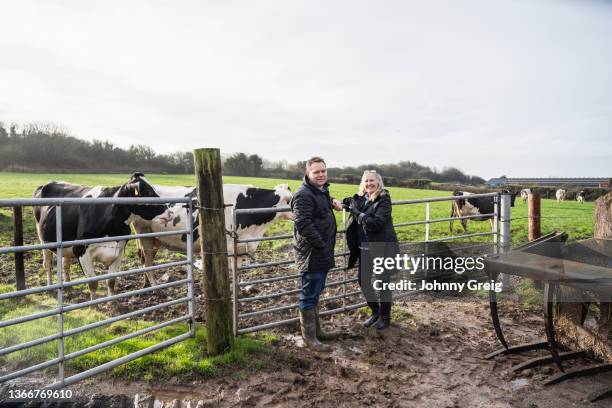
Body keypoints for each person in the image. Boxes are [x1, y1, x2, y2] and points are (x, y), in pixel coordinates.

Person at [291, 156, 343, 351]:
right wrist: (321, 244)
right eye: (316, 172)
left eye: (323, 171)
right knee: (309, 294)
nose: (321, 175)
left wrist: (332, 201)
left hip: (321, 251)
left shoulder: (320, 190)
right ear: (307, 173)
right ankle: (310, 339)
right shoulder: (303, 194)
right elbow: (302, 223)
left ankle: (317, 333)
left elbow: (320, 202)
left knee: (316, 291)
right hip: (312, 252)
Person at [344, 170, 399, 330]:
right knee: (363, 281)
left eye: (372, 181)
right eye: (366, 181)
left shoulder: (384, 199)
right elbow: (351, 203)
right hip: (365, 247)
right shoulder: (362, 198)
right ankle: (376, 312)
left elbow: (376, 223)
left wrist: (357, 213)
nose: (369, 184)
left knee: (383, 281)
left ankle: (385, 317)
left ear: (378, 182)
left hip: (381, 247)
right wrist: (346, 203)